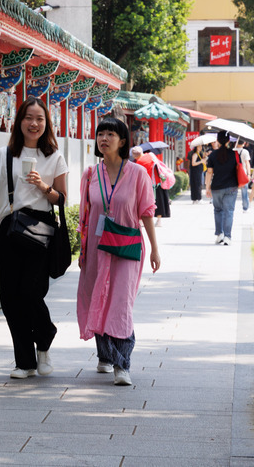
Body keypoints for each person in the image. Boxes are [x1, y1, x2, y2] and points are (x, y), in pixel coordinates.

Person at [0, 96, 68, 379]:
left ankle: (45, 338)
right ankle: (25, 362)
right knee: (10, 299)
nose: (34, 123)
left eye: (40, 119)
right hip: (9, 229)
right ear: (19, 122)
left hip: (40, 231)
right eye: (29, 118)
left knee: (31, 293)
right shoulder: (4, 155)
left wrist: (43, 186)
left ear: (46, 123)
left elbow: (62, 199)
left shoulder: (55, 156)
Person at [77, 118, 160, 386]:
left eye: (110, 134)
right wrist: (81, 250)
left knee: (121, 302)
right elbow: (85, 216)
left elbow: (146, 212)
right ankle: (105, 354)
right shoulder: (90, 174)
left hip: (127, 245)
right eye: (100, 134)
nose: (104, 138)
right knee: (97, 297)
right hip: (96, 246)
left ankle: (122, 364)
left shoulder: (138, 174)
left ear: (122, 141)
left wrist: (155, 249)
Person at [205, 131, 237, 245]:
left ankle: (220, 234)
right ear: (228, 141)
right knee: (229, 211)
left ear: (217, 140)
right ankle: (227, 237)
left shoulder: (213, 155)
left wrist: (207, 187)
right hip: (231, 186)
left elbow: (209, 172)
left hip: (217, 187)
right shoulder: (234, 154)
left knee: (218, 210)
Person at [131, 146, 171, 228]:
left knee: (144, 203)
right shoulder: (151, 155)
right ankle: (159, 221)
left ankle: (142, 221)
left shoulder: (139, 162)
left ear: (134, 156)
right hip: (158, 182)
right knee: (159, 202)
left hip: (147, 185)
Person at [234, 140, 252, 213]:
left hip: (234, 174)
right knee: (244, 192)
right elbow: (247, 163)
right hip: (243, 174)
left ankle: (231, 206)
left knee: (233, 192)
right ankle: (245, 208)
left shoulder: (233, 151)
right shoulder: (245, 152)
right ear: (243, 143)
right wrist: (249, 174)